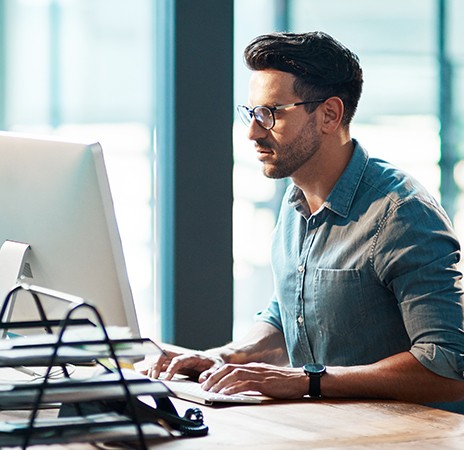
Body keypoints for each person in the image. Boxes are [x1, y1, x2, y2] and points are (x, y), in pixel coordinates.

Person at [149, 31, 464, 411]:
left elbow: (448, 365)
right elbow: (290, 314)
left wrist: (308, 378)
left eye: (270, 113)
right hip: (323, 431)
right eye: (251, 113)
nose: (252, 131)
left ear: (329, 114)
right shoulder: (294, 200)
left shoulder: (402, 213)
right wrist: (228, 357)